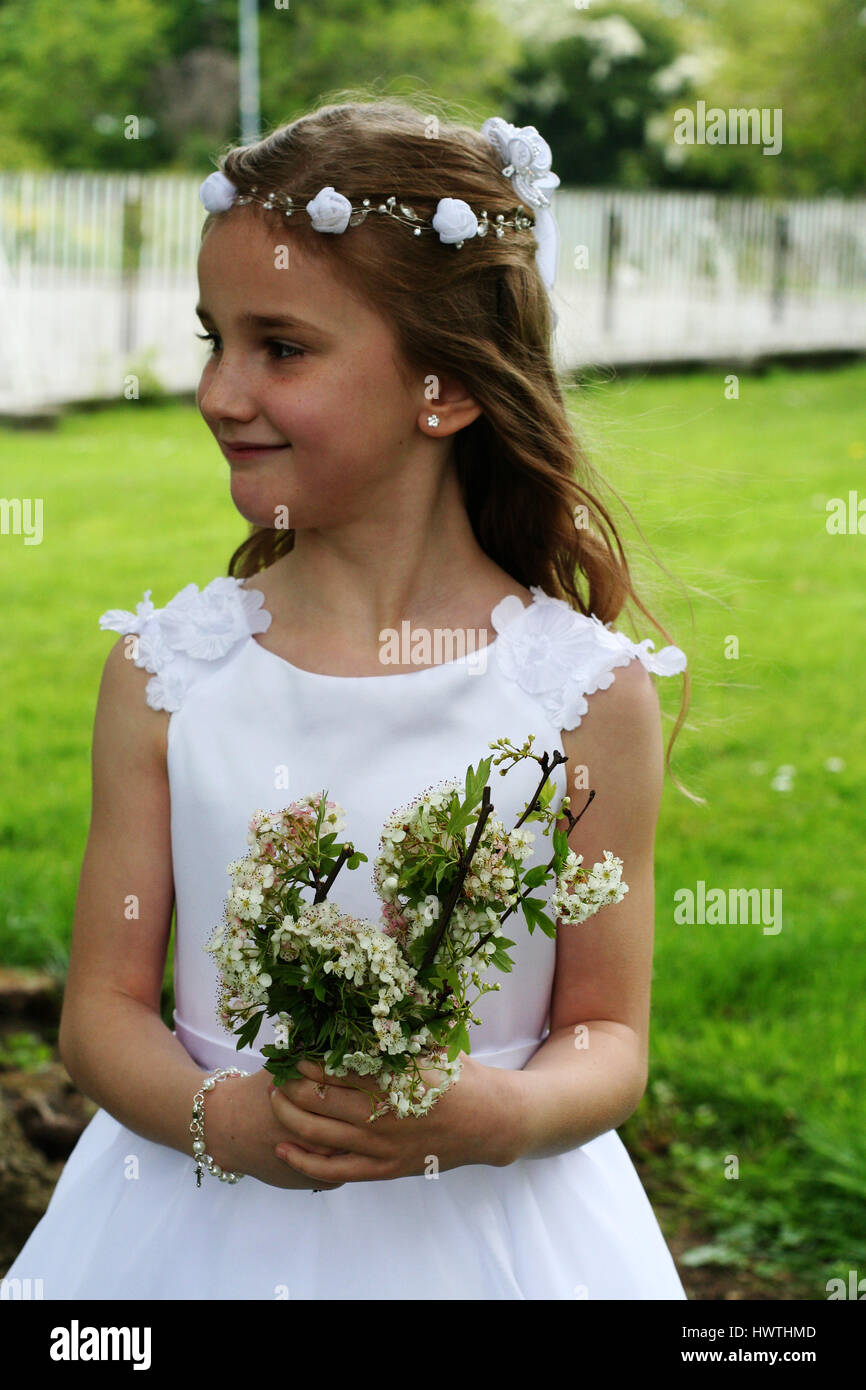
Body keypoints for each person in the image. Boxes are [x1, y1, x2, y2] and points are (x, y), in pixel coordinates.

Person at [6, 98, 691, 1300]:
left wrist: (499, 1111)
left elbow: (608, 1034)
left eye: (281, 346)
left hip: (494, 1236)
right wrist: (228, 1120)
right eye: (213, 337)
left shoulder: (579, 695)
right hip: (191, 1228)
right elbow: (106, 1011)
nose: (220, 390)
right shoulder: (172, 674)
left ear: (447, 389)